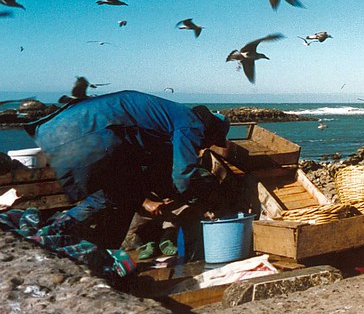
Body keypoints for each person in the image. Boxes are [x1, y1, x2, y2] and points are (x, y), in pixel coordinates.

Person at [29, 90, 230, 250]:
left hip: (67, 127)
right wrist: (200, 205)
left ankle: (54, 234)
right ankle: (99, 251)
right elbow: (182, 176)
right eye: (211, 140)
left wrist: (149, 197)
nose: (205, 145)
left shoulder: (171, 117)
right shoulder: (191, 125)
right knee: (120, 199)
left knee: (108, 196)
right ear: (210, 129)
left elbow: (148, 164)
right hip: (91, 133)